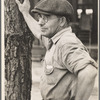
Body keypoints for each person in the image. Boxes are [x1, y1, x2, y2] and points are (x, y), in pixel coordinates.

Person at [15, 0, 97, 100]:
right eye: (40, 17)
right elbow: (38, 31)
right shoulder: (54, 39)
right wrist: (25, 13)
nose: (40, 22)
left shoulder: (66, 43)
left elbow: (89, 72)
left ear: (62, 21)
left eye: (45, 18)